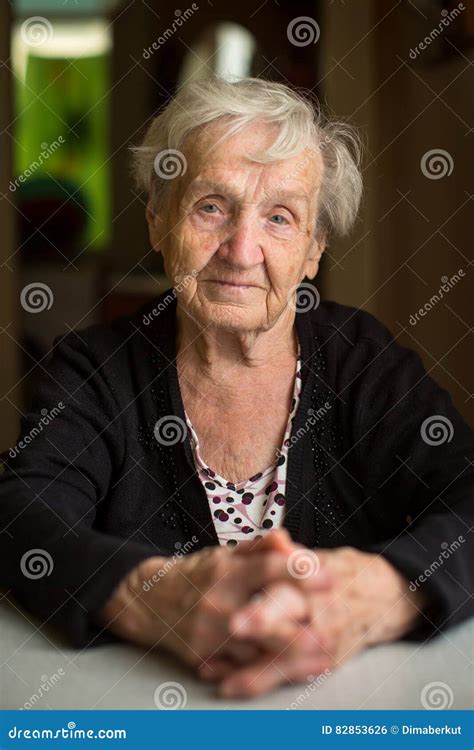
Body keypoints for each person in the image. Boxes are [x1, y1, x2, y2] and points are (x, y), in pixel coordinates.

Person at [1, 77, 472, 699]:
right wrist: (160, 597)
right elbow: (21, 515)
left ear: (314, 248)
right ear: (157, 220)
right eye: (211, 207)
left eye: (280, 217)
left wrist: (381, 594)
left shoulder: (363, 361)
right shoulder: (96, 369)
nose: (241, 249)